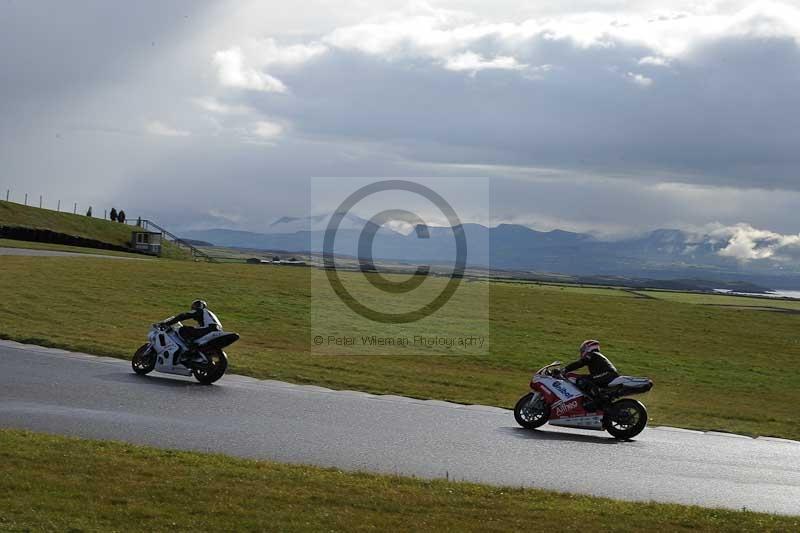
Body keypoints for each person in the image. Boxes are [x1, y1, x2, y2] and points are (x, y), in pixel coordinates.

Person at [562, 339, 619, 410]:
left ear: (588, 347)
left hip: (607, 374)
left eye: (583, 349)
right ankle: (599, 402)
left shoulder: (592, 354)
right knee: (586, 379)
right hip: (608, 375)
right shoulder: (596, 355)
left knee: (583, 380)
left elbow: (580, 363)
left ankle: (597, 401)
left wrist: (565, 369)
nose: (582, 351)